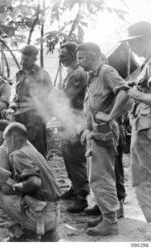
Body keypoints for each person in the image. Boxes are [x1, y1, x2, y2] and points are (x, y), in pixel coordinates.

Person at [77, 42, 130, 236]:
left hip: (105, 133)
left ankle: (110, 221)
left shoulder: (107, 71)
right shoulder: (93, 77)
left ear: (92, 55)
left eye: (81, 58)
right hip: (95, 133)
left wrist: (110, 117)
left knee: (101, 179)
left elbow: (125, 93)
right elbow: (92, 106)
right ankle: (107, 214)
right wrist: (87, 129)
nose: (79, 62)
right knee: (97, 178)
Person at [0, 122, 61, 242]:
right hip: (54, 212)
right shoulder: (32, 151)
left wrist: (14, 188)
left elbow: (35, 182)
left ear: (12, 137)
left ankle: (19, 236)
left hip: (42, 215)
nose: (5, 144)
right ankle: (48, 233)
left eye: (5, 140)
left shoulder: (18, 154)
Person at [118, 21, 151, 223]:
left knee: (142, 180)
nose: (132, 47)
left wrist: (134, 93)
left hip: (147, 128)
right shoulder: (146, 63)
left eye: (135, 42)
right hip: (144, 125)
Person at [58, 42, 90, 213]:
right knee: (67, 155)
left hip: (76, 121)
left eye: (63, 55)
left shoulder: (77, 74)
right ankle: (74, 188)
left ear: (72, 55)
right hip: (68, 120)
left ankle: (82, 196)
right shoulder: (71, 73)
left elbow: (66, 97)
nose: (60, 58)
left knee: (75, 158)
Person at [11, 45, 52, 158]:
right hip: (19, 118)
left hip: (35, 120)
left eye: (26, 60)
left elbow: (47, 97)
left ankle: (41, 174)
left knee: (36, 152)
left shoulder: (42, 75)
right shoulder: (19, 74)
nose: (22, 62)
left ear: (34, 59)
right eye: (22, 59)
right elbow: (18, 95)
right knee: (21, 150)